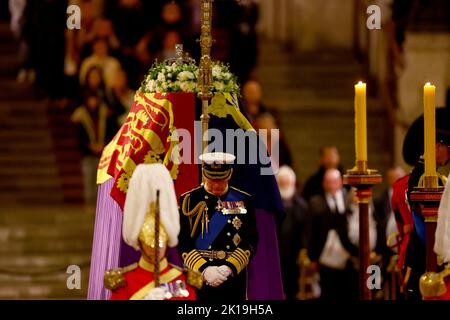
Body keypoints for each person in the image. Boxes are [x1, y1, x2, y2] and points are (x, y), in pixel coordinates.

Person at [106, 164, 201, 300]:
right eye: (149, 243)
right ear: (140, 241)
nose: (155, 248)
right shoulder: (124, 283)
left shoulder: (184, 280)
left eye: (160, 243)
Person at [178, 152, 258, 301]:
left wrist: (229, 267)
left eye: (221, 179)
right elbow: (183, 242)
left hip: (233, 277)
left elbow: (251, 240)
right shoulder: (189, 200)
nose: (216, 184)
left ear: (230, 174)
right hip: (200, 276)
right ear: (203, 173)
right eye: (212, 179)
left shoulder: (243, 200)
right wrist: (204, 269)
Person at [308, 168, 359, 301]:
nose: (331, 185)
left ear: (341, 182)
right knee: (328, 292)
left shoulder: (349, 198)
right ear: (324, 183)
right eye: (328, 182)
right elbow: (310, 231)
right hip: (326, 256)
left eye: (335, 181)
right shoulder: (316, 202)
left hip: (349, 256)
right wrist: (312, 257)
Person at [71, 91, 112, 205]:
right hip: (88, 154)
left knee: (103, 181)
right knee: (89, 179)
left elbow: (110, 133)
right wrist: (90, 146)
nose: (93, 102)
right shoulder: (81, 117)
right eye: (90, 99)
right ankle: (90, 203)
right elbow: (80, 138)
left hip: (103, 154)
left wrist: (103, 146)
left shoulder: (104, 114)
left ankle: (102, 204)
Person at [276, 165, 309, 300]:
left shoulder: (301, 205)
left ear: (293, 183)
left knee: (292, 288)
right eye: (282, 181)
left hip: (294, 254)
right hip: (275, 252)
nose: (285, 184)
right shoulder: (271, 204)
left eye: (287, 181)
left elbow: (306, 230)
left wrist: (304, 248)